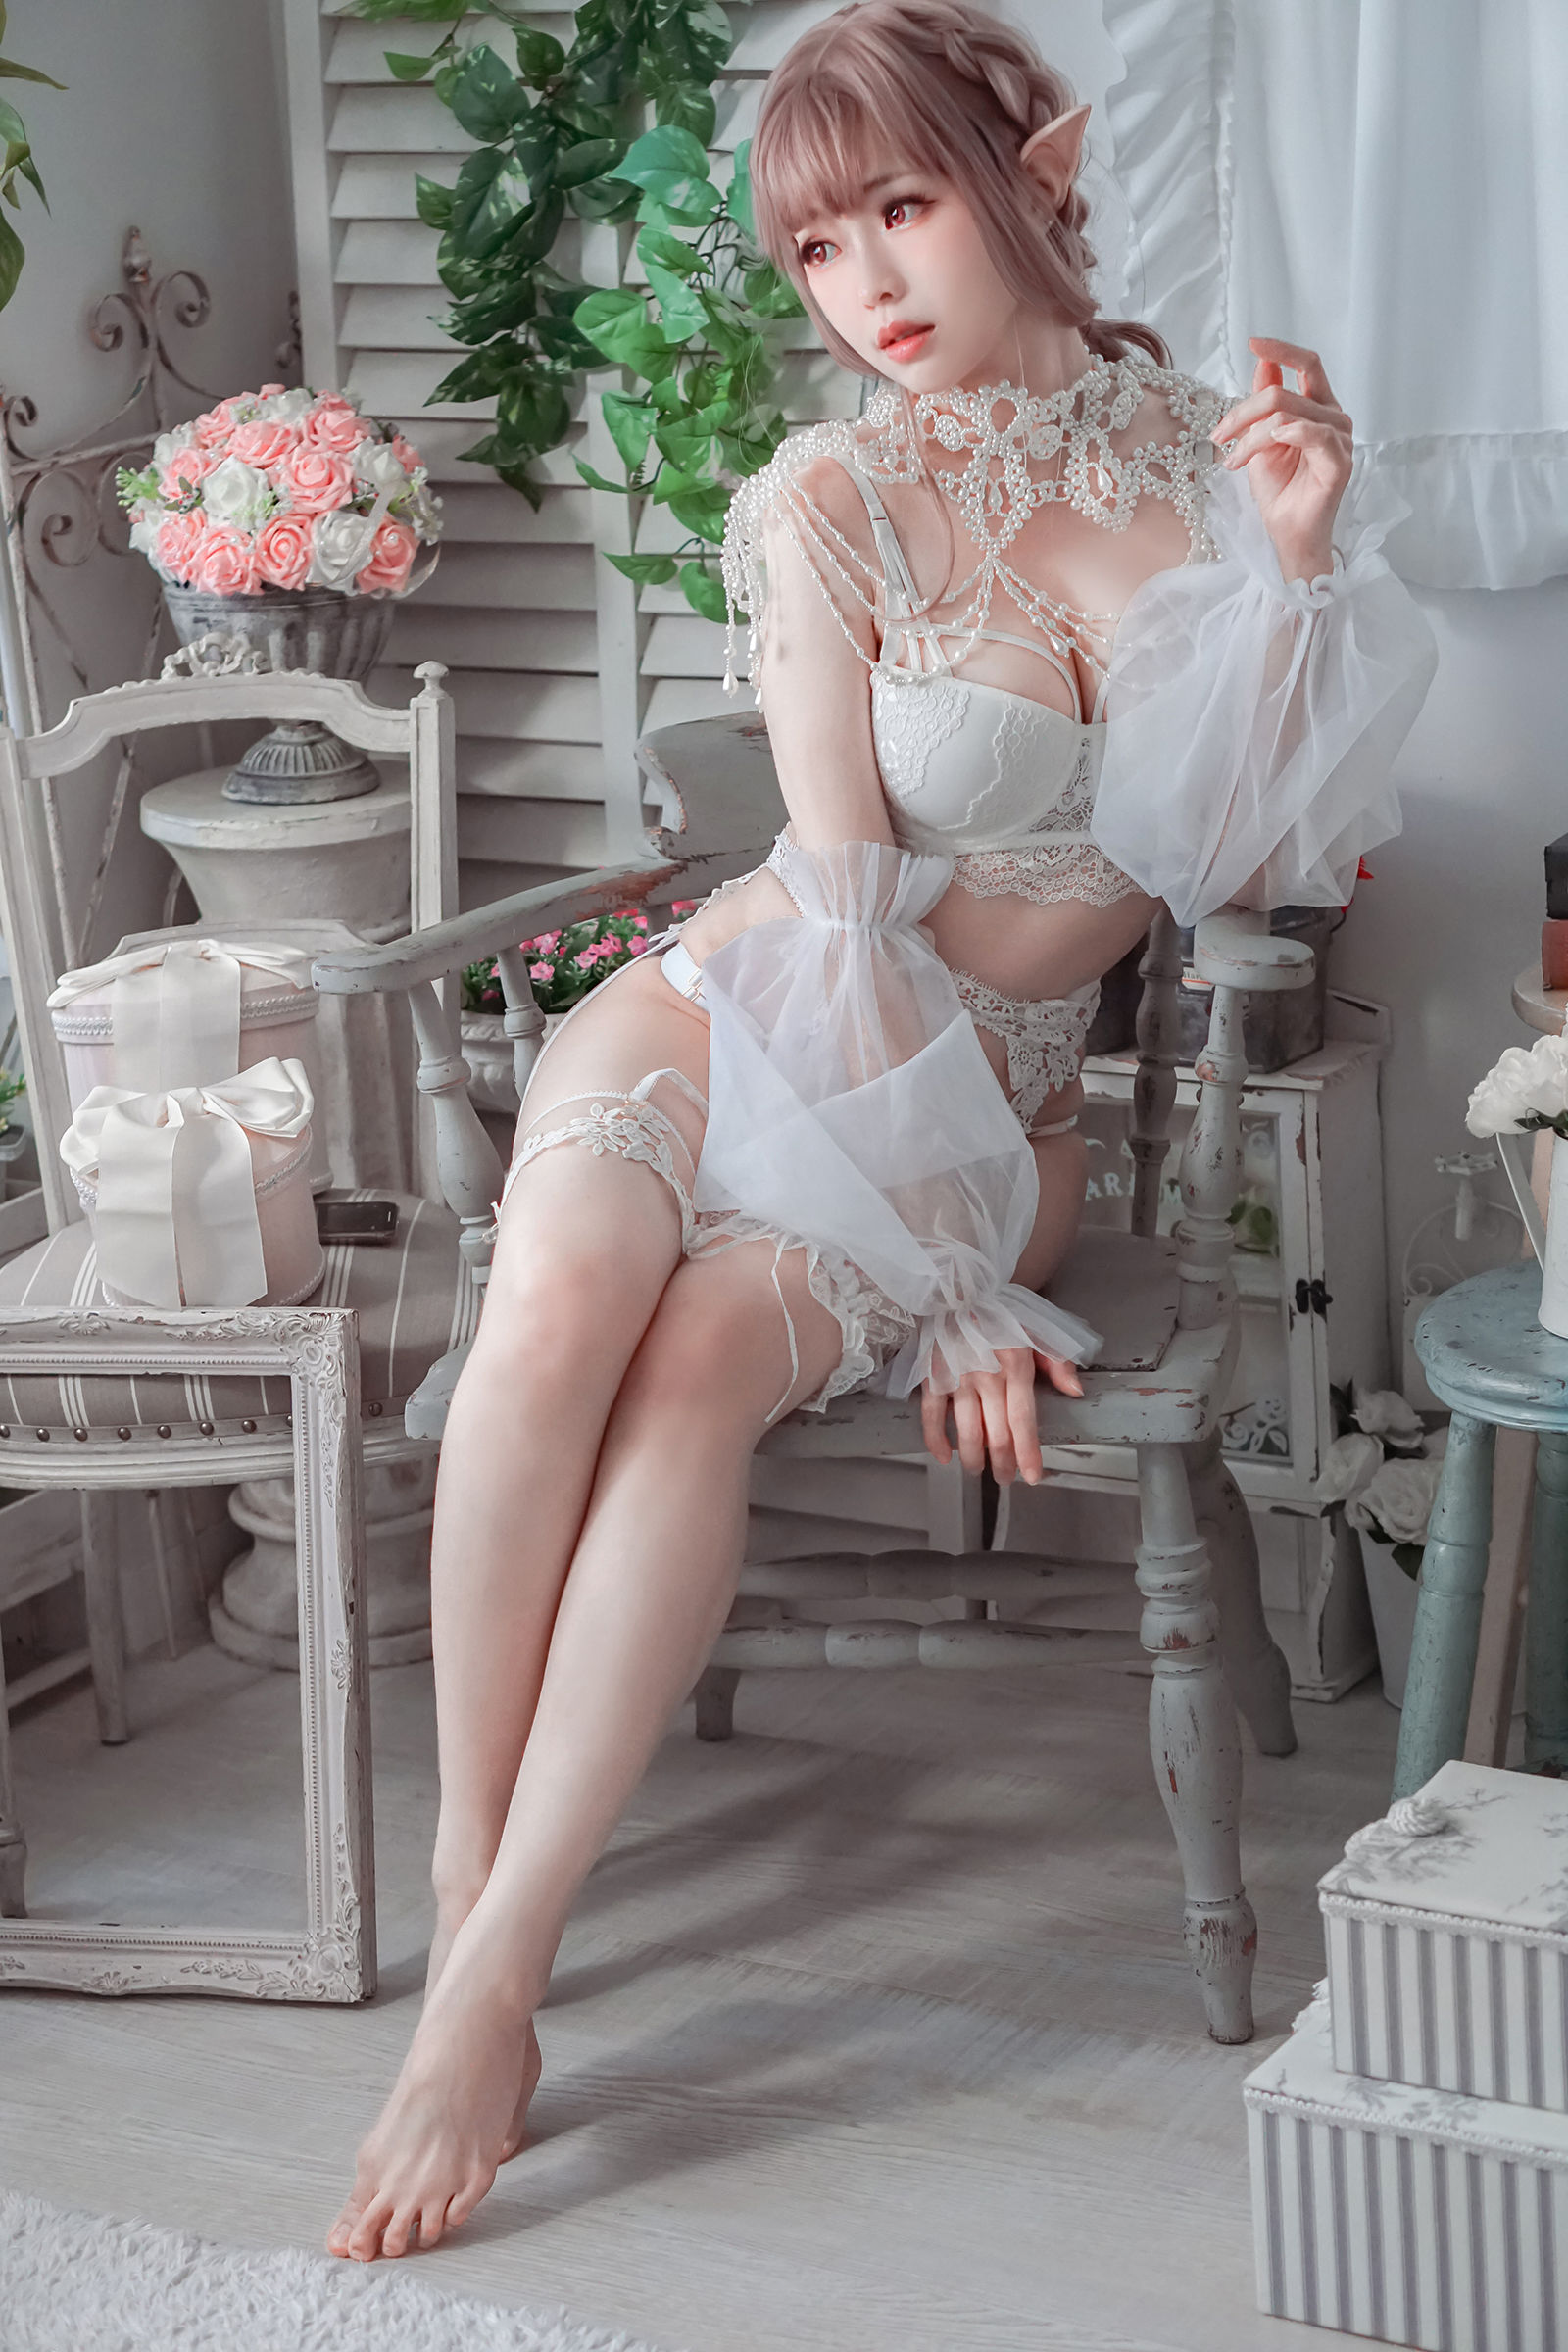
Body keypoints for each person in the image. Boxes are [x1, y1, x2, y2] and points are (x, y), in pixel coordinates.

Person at [327, 0, 1437, 2262]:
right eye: (815, 250)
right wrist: (927, 1267)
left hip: (994, 1097)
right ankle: (472, 1905)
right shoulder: (826, 498)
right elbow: (834, 898)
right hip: (741, 1007)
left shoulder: (1199, 467)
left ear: (1030, 171)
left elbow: (1247, 853)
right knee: (554, 1309)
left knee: (686, 1382)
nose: (865, 288)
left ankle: (501, 1960)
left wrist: (1297, 565)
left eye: (899, 208)